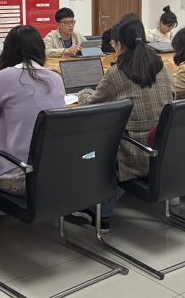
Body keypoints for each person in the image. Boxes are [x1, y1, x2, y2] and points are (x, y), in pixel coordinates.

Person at [74, 15, 175, 231]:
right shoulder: (164, 68)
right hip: (165, 150)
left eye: (112, 43)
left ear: (119, 44)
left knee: (92, 144)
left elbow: (91, 105)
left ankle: (98, 211)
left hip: (135, 153)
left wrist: (82, 92)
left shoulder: (118, 73)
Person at [0, 25, 65, 199]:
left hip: (17, 174)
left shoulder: (6, 76)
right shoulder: (56, 78)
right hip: (53, 173)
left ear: (8, 50)